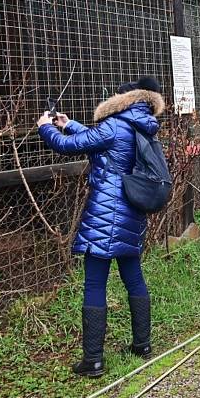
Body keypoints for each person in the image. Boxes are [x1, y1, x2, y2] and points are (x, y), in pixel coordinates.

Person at [36, 76, 164, 378]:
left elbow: (70, 147)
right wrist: (69, 123)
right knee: (134, 278)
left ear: (123, 100)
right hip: (132, 211)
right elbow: (101, 143)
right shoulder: (140, 124)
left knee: (95, 284)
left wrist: (45, 126)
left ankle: (93, 360)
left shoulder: (115, 124)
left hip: (106, 213)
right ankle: (142, 345)